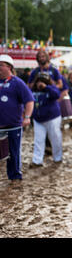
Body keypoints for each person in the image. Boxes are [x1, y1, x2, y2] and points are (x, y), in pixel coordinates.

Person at [0, 55, 34, 183]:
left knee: (13, 153)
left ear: (9, 67)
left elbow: (29, 101)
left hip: (13, 124)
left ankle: (15, 177)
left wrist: (27, 117)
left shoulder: (17, 82)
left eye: (1, 65)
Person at [29, 73, 63, 167]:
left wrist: (46, 87)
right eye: (39, 81)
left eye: (43, 81)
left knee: (55, 138)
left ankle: (58, 157)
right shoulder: (32, 91)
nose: (40, 83)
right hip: (38, 119)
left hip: (52, 118)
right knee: (38, 140)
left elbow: (56, 95)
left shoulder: (52, 88)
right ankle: (37, 161)